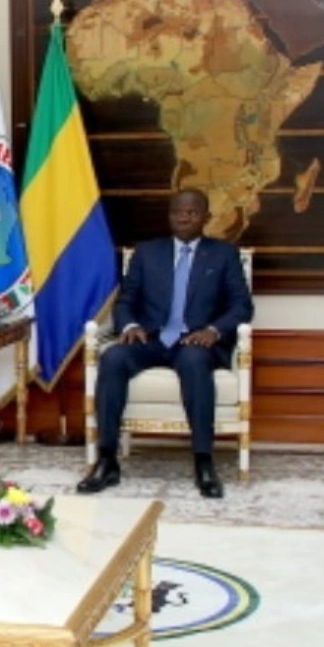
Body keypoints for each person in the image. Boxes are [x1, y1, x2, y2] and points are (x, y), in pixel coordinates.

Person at [74, 187, 254, 499]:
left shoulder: (224, 254)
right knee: (114, 357)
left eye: (192, 212)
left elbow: (242, 306)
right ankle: (107, 460)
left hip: (195, 341)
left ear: (206, 218)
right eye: (177, 212)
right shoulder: (147, 253)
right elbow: (126, 301)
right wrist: (129, 325)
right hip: (152, 339)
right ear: (169, 216)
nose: (183, 217)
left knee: (195, 361)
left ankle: (203, 462)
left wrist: (213, 330)